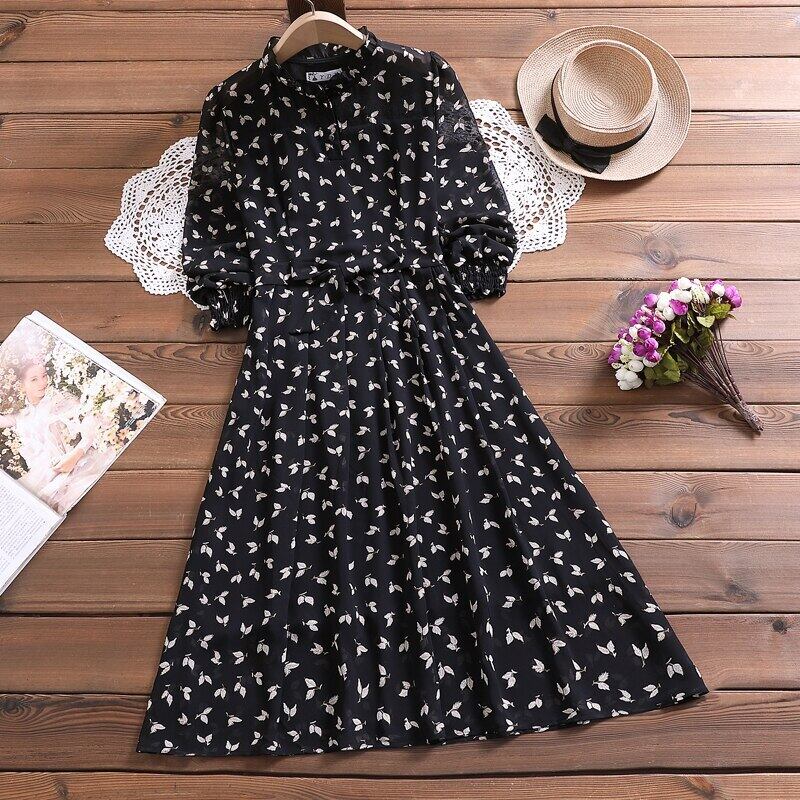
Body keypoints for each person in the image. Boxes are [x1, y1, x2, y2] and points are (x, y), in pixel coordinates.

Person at [0, 358, 114, 514]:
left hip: (72, 464)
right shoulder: (21, 415)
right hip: (44, 474)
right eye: (34, 379)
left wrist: (76, 454)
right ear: (22, 385)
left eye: (44, 376)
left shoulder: (59, 399)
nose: (42, 383)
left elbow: (91, 418)